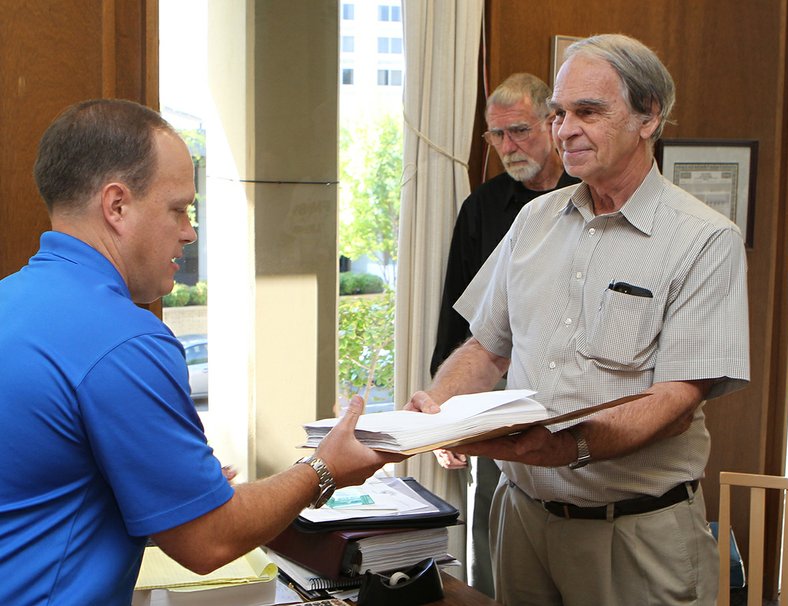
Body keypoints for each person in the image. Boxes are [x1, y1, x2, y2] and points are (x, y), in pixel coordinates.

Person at [0, 99, 403, 605]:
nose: (190, 231)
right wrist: (324, 469)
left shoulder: (10, 303)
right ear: (116, 206)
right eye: (179, 209)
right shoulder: (126, 339)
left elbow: (42, 500)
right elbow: (208, 539)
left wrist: (170, 489)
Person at [409, 34, 749, 606]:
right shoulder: (533, 222)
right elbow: (487, 346)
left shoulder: (704, 239)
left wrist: (569, 448)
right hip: (522, 522)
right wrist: (440, 409)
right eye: (560, 113)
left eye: (587, 112)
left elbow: (677, 399)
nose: (565, 130)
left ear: (648, 117)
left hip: (635, 535)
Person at [429, 72, 578, 598]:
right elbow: (457, 320)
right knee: (495, 528)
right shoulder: (483, 208)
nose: (507, 147)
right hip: (493, 392)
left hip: (570, 396)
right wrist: (443, 414)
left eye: (518, 131)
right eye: (497, 137)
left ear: (551, 123)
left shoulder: (587, 199)